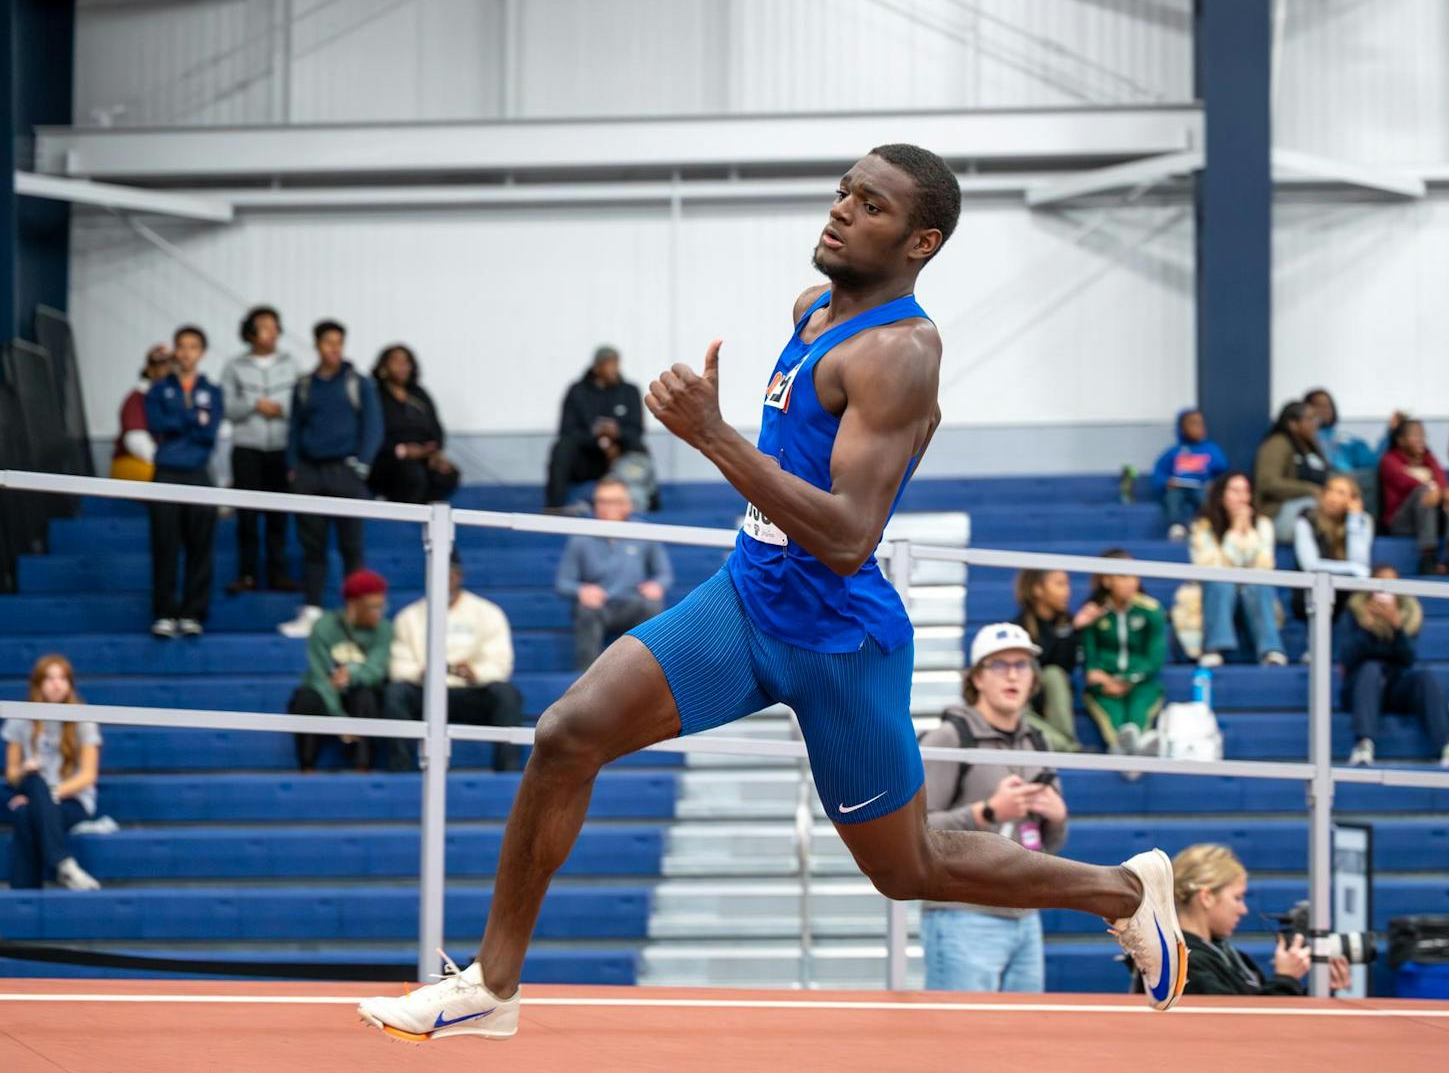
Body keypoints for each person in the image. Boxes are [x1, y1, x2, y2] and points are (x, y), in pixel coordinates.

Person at [357, 144, 1184, 1044]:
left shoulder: (902, 353)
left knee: (905, 869)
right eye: (844, 192)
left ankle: (1125, 889)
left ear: (921, 240)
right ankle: (493, 984)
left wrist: (711, 435)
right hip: (746, 600)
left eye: (870, 205)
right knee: (566, 734)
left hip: (838, 640)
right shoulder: (813, 309)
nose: (840, 210)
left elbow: (845, 537)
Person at [920, 624, 1069, 993]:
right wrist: (988, 812)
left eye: (1022, 665)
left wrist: (1057, 816)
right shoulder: (950, 738)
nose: (1013, 674)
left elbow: (1048, 846)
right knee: (959, 1040)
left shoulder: (1038, 741)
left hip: (1025, 915)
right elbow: (918, 832)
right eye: (999, 665)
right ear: (977, 678)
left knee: (1022, 1042)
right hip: (962, 915)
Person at [279, 320, 384, 639]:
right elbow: (294, 428)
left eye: (339, 342)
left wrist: (362, 465)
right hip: (310, 472)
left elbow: (373, 427)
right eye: (328, 342)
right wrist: (293, 467)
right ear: (317, 345)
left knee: (351, 546)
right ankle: (312, 610)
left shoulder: (358, 383)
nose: (334, 348)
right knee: (313, 546)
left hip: (345, 470)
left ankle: (356, 614)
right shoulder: (305, 385)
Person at [384, 556, 524, 772]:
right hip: (425, 692)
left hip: (471, 692)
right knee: (395, 693)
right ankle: (400, 770)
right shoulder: (409, 617)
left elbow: (500, 664)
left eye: (450, 574)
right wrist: (421, 672)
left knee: (507, 694)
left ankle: (508, 770)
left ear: (459, 576)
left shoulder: (487, 612)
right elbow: (398, 666)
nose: (443, 580)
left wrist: (474, 672)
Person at [1341, 565, 1449, 768]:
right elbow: (1347, 657)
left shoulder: (1406, 615)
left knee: (1425, 678)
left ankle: (1448, 745)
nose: (1385, 593)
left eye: (1391, 587)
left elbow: (1408, 659)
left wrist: (1396, 629)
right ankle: (1362, 745)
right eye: (1380, 586)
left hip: (1394, 687)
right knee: (1371, 668)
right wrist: (1368, 629)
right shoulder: (1353, 612)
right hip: (1361, 688)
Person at [1170, 844, 1350, 997]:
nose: (1244, 910)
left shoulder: (1225, 954)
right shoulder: (1184, 965)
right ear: (1206, 897)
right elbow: (1245, 1026)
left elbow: (1259, 1004)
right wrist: (1286, 979)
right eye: (1238, 898)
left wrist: (1317, 991)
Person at [144, 325, 224, 639]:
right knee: (165, 545)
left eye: (193, 346)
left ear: (202, 353)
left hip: (198, 473)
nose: (187, 352)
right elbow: (156, 424)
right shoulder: (159, 389)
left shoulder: (212, 390)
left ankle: (193, 613)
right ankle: (164, 612)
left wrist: (180, 422)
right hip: (165, 472)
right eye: (182, 346)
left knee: (199, 546)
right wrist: (191, 418)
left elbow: (209, 433)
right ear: (175, 351)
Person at [2, 655, 102, 890]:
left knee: (26, 814)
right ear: (38, 683)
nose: (56, 684)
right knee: (33, 780)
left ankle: (23, 895)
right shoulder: (20, 716)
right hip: (31, 790)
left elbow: (88, 776)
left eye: (62, 678)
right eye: (49, 678)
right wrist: (25, 771)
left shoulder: (83, 718)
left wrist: (46, 796)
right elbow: (12, 774)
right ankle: (61, 863)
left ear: (70, 683)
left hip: (71, 801)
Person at [554, 478, 674, 668]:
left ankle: (649, 672)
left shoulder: (644, 532)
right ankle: (587, 678)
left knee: (653, 606)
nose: (606, 507)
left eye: (613, 501)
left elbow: (664, 574)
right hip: (600, 605)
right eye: (601, 501)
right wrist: (582, 590)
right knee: (586, 610)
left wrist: (657, 585)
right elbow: (563, 583)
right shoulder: (580, 537)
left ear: (627, 504)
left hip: (633, 602)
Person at [222, 305, 300, 594]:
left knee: (278, 515)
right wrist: (254, 405)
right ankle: (247, 574)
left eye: (274, 326)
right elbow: (227, 409)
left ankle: (278, 573)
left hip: (280, 447)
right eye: (262, 327)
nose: (269, 333)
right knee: (248, 515)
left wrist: (281, 410)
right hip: (247, 447)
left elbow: (302, 405)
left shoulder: (291, 364)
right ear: (250, 332)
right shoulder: (234, 366)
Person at [287, 570, 392, 772]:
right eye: (373, 608)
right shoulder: (324, 626)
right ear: (353, 604)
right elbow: (319, 677)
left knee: (366, 695)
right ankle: (307, 767)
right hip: (328, 693)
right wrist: (339, 719)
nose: (379, 613)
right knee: (306, 698)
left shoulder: (384, 629)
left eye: (382, 607)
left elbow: (376, 670)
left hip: (361, 694)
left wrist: (351, 675)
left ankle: (362, 766)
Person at [1189, 472, 1288, 668]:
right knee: (1221, 583)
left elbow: (1265, 565)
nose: (1241, 497)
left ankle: (1271, 650)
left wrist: (1248, 532)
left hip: (1251, 590)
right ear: (1221, 495)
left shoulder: (1263, 525)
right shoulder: (1202, 526)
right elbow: (1208, 567)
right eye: (1235, 491)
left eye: (1245, 491)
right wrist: (1235, 531)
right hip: (1215, 591)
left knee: (1259, 584)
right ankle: (1214, 648)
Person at [1080, 549, 1167, 755]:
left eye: (1134, 576)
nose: (1131, 582)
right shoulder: (1094, 612)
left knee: (1139, 710)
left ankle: (1136, 750)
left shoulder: (1151, 610)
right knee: (1115, 717)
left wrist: (1128, 679)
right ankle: (1127, 751)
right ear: (1107, 580)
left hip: (1141, 682)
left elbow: (1154, 658)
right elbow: (1090, 660)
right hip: (1105, 685)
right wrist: (1103, 678)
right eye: (1123, 576)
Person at [545, 345, 647, 509]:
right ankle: (554, 507)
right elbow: (567, 430)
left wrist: (617, 434)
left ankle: (647, 502)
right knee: (562, 447)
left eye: (616, 363)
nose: (614, 369)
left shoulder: (630, 391)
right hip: (588, 457)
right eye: (609, 364)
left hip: (619, 455)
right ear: (597, 366)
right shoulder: (577, 391)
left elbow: (637, 430)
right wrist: (600, 441)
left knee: (638, 448)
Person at [1012, 568, 1096, 752]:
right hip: (1024, 703)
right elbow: (1039, 661)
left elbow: (1065, 666)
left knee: (1054, 674)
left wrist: (1075, 631)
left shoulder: (1068, 622)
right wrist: (1071, 631)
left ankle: (1066, 745)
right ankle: (1070, 748)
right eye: (1059, 584)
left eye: (1067, 584)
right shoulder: (1018, 629)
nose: (1067, 590)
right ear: (1037, 589)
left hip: (1053, 700)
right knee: (1015, 710)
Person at [368, 344, 460, 505]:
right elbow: (371, 432)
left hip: (423, 453)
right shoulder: (375, 395)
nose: (402, 367)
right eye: (396, 361)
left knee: (448, 473)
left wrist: (434, 451)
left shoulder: (419, 394)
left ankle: (423, 508)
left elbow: (436, 427)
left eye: (406, 362)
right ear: (384, 366)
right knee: (411, 474)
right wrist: (402, 450)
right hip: (388, 456)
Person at [1381, 419, 1449, 576]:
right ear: (1400, 440)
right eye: (1415, 435)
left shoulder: (1429, 458)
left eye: (1422, 435)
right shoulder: (1389, 460)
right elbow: (1406, 483)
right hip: (1402, 522)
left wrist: (1445, 492)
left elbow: (1442, 479)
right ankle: (1427, 556)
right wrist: (1435, 490)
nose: (1421, 439)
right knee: (1424, 491)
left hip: (1431, 518)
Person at [1292, 474, 1375, 624]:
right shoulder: (1306, 518)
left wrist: (1354, 520)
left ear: (1353, 499)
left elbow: (1360, 563)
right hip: (1310, 591)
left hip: (1347, 592)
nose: (1333, 497)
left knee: (1361, 600)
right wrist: (1351, 567)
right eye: (1330, 490)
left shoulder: (1363, 520)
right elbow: (1310, 565)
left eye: (1341, 493)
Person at [1303, 388, 1396, 512]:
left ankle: (1367, 525)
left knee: (1379, 472)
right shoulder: (1306, 436)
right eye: (1319, 405)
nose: (1325, 409)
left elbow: (1374, 461)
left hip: (1357, 477)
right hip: (1328, 478)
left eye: (1328, 405)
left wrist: (1390, 433)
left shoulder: (1346, 438)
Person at [1255, 401, 1330, 543]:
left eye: (1316, 418)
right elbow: (1267, 483)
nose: (1316, 423)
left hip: (1310, 506)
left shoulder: (1311, 444)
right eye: (1310, 419)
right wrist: (1311, 490)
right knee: (1315, 506)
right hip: (1278, 514)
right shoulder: (1277, 444)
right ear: (1293, 424)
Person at [1151, 408, 1227, 541]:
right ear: (1182, 428)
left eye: (1201, 424)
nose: (1199, 427)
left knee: (1205, 500)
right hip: (1178, 487)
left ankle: (1206, 525)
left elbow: (1222, 472)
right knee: (1173, 498)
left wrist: (1215, 484)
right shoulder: (1173, 452)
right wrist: (1166, 482)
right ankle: (1177, 526)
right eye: (1193, 423)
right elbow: (1159, 473)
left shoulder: (1211, 450)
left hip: (1201, 487)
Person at [108, 342, 173, 482]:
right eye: (159, 365)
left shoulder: (176, 396)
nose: (165, 370)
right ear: (149, 369)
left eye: (169, 364)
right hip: (136, 462)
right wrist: (167, 460)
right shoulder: (138, 397)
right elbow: (135, 440)